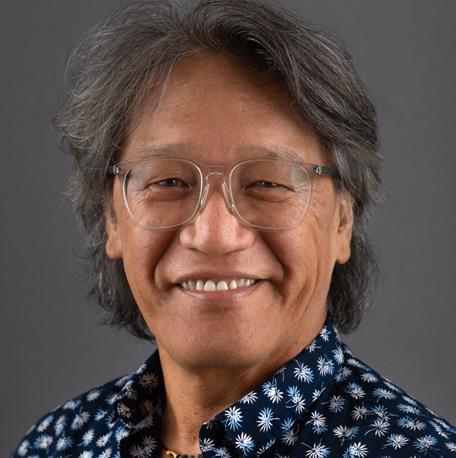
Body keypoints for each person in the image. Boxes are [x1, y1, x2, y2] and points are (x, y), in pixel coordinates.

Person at [11, 0, 456, 457]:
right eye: (169, 182)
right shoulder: (57, 443)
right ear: (112, 218)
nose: (214, 235)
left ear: (343, 217)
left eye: (268, 183)